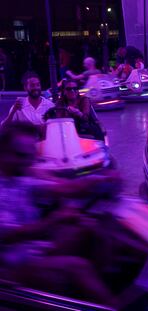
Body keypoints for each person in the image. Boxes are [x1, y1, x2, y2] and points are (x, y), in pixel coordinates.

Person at [0, 122, 118, 305]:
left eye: (31, 155)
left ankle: (105, 289)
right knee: (78, 267)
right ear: (3, 154)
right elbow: (9, 236)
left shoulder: (19, 179)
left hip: (34, 248)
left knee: (94, 227)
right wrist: (55, 220)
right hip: (10, 267)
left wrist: (101, 179)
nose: (29, 162)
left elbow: (65, 188)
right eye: (21, 156)